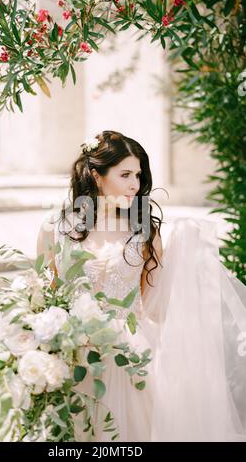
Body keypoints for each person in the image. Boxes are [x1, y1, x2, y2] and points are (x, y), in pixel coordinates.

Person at [37, 130, 246, 442]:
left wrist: (185, 268)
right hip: (72, 353)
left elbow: (153, 306)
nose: (135, 184)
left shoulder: (144, 231)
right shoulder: (55, 228)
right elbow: (43, 293)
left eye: (138, 174)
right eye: (124, 174)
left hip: (132, 356)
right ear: (96, 175)